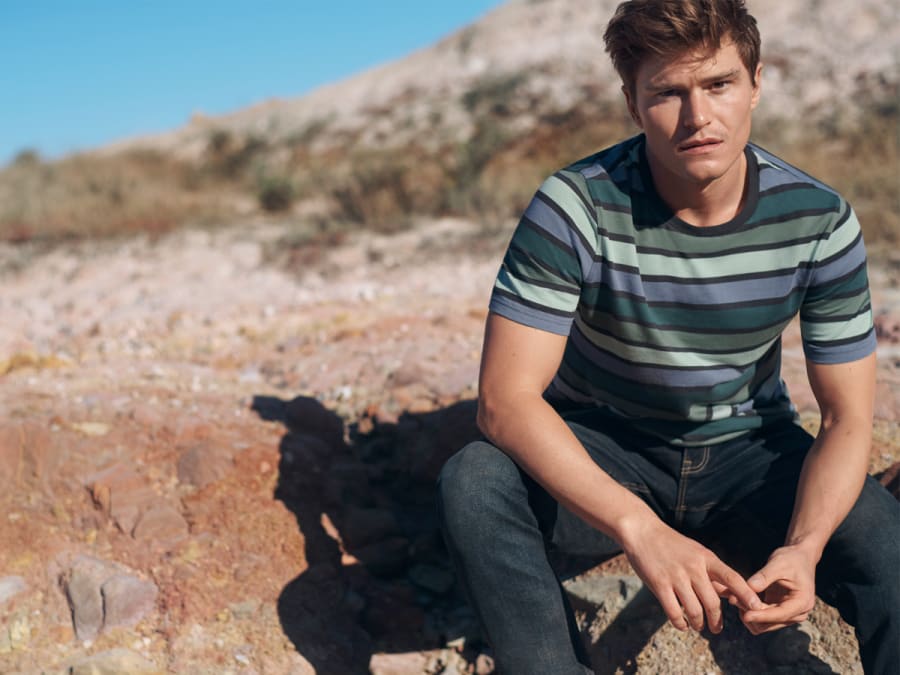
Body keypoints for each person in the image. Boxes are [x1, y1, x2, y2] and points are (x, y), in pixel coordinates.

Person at [436, 1, 900, 673]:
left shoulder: (819, 220)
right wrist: (641, 529)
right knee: (474, 482)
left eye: (718, 84)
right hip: (607, 444)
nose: (698, 116)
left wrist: (803, 546)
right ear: (632, 100)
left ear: (756, 83)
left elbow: (846, 416)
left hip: (749, 454)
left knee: (883, 537)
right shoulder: (574, 207)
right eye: (667, 93)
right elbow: (505, 402)